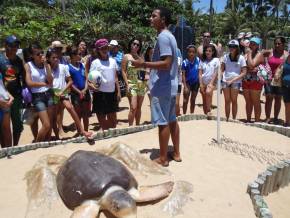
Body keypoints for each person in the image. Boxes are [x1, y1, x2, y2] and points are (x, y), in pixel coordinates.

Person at [132, 7, 181, 167]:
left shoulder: (163, 37)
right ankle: (176, 153)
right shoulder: (170, 37)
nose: (150, 18)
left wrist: (143, 63)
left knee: (163, 122)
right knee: (172, 120)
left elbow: (166, 64)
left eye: (154, 16)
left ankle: (162, 158)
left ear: (163, 20)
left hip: (162, 87)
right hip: (171, 86)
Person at [47, 48, 92, 138]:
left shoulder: (63, 67)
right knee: (54, 115)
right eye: (53, 58)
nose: (56, 59)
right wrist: (47, 67)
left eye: (57, 57)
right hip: (52, 93)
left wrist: (63, 91)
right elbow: (48, 82)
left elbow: (70, 81)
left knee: (70, 107)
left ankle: (82, 131)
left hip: (63, 92)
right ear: (48, 59)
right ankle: (57, 136)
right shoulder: (46, 69)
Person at [25, 42, 54, 142]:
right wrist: (43, 84)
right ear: (31, 56)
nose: (41, 55)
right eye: (38, 54)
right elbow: (29, 82)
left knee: (50, 123)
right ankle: (37, 144)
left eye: (42, 53)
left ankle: (47, 143)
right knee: (46, 125)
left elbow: (51, 81)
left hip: (49, 95)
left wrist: (46, 65)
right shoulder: (28, 65)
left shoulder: (47, 65)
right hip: (38, 97)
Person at [90, 39, 121, 130]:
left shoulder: (113, 61)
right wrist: (91, 86)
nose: (104, 50)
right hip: (99, 94)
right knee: (103, 123)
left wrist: (118, 92)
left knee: (113, 122)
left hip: (111, 93)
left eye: (106, 47)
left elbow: (116, 78)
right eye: (102, 48)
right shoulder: (95, 63)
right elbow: (90, 79)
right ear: (98, 50)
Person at [0, 35, 25, 146]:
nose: (15, 48)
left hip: (17, 97)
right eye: (12, 45)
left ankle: (15, 146)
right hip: (3, 98)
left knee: (18, 125)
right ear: (6, 46)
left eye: (17, 46)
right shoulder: (0, 59)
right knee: (3, 126)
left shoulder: (19, 61)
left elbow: (23, 78)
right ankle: (4, 148)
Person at [121, 38, 147, 126]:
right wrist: (127, 84)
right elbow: (123, 71)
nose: (135, 46)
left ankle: (137, 126)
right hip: (131, 84)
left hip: (141, 84)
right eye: (134, 44)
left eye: (137, 45)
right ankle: (130, 127)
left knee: (139, 107)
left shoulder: (141, 57)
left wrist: (144, 83)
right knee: (133, 107)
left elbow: (143, 70)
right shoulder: (126, 56)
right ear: (130, 44)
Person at [221, 40, 247, 121]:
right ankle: (227, 118)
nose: (231, 48)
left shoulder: (241, 58)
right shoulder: (225, 57)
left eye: (234, 47)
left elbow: (244, 72)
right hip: (225, 81)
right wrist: (221, 78)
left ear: (237, 48)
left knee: (234, 100)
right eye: (230, 46)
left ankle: (234, 119)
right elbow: (222, 69)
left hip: (236, 82)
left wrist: (232, 80)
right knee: (227, 101)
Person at [67, 46, 91, 133]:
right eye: (79, 54)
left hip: (85, 91)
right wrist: (79, 91)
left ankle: (86, 131)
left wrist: (85, 89)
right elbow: (70, 83)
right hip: (75, 94)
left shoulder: (82, 65)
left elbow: (86, 78)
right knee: (78, 114)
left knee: (86, 113)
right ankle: (80, 132)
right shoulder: (68, 68)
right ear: (73, 56)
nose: (81, 56)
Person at [264, 37, 288, 123]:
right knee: (269, 98)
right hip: (269, 79)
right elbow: (259, 54)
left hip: (280, 80)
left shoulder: (287, 55)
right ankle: (267, 117)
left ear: (283, 44)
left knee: (278, 99)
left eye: (279, 43)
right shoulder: (270, 52)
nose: (277, 45)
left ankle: (276, 118)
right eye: (275, 43)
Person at [243, 37, 267, 122]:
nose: (251, 45)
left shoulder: (259, 54)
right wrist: (249, 68)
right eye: (251, 43)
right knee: (248, 101)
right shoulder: (246, 54)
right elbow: (243, 67)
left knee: (256, 101)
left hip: (256, 81)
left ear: (257, 46)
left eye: (254, 44)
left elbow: (251, 65)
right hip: (246, 80)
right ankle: (248, 120)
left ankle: (256, 122)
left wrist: (249, 54)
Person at [51, 40, 69, 135]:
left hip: (64, 86)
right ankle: (59, 128)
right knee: (56, 109)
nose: (58, 50)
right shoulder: (51, 58)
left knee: (62, 108)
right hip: (54, 88)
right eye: (56, 48)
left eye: (60, 48)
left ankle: (60, 126)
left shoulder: (65, 59)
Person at [199, 44, 220, 116]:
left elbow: (216, 72)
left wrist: (211, 83)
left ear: (213, 52)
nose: (208, 52)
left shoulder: (216, 60)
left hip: (212, 82)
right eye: (206, 51)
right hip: (203, 82)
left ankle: (209, 111)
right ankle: (206, 114)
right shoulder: (202, 61)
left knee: (208, 93)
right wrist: (201, 84)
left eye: (210, 51)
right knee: (204, 98)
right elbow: (200, 73)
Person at [182, 45, 200, 114]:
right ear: (187, 53)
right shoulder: (185, 62)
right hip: (188, 83)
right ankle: (184, 114)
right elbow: (183, 75)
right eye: (190, 52)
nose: (191, 53)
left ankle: (191, 114)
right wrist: (185, 86)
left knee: (193, 100)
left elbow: (200, 72)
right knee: (185, 100)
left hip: (196, 83)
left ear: (195, 53)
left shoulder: (198, 60)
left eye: (193, 52)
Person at [0, 71, 13, 147]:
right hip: (3, 102)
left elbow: (2, 87)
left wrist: (10, 96)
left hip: (5, 101)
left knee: (7, 130)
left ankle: (9, 151)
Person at [279, 53, 290, 126]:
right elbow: (279, 68)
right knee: (287, 104)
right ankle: (287, 122)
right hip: (285, 85)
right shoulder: (285, 59)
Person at [175, 48, 182, 116]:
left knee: (176, 103)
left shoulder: (178, 51)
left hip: (177, 82)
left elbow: (180, 68)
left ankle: (177, 114)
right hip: (168, 82)